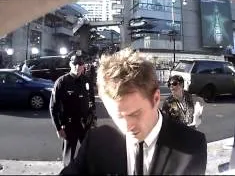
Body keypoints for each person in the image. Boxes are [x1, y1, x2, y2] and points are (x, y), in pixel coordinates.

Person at [60, 48, 207, 175]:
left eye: (135, 114)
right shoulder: (96, 141)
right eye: (117, 116)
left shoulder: (192, 145)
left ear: (156, 99)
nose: (127, 127)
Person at [49, 53, 96, 167]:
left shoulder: (87, 81)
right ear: (70, 64)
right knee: (68, 159)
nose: (77, 67)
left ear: (83, 66)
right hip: (69, 125)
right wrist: (58, 127)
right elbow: (53, 107)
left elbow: (92, 103)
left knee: (89, 157)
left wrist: (93, 122)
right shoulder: (62, 82)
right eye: (75, 64)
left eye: (80, 64)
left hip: (85, 125)